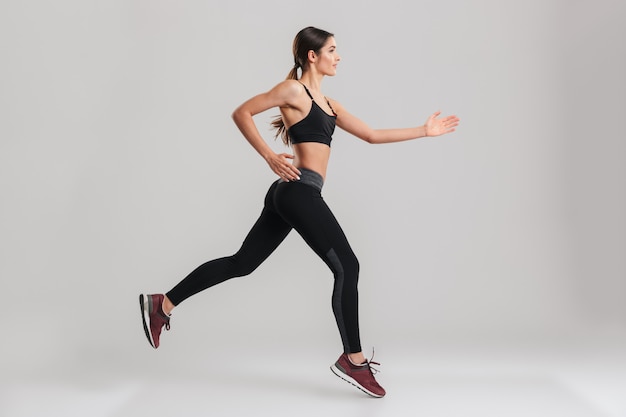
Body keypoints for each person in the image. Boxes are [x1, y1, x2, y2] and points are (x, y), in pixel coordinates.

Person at [140, 26, 459, 398]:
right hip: (297, 191)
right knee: (348, 266)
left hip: (292, 194)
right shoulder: (294, 90)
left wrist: (424, 130)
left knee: (242, 263)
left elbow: (372, 134)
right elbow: (242, 112)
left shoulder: (330, 105)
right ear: (313, 56)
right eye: (333, 50)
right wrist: (269, 156)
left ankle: (162, 304)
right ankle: (353, 360)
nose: (338, 57)